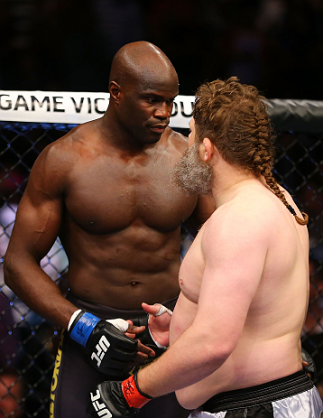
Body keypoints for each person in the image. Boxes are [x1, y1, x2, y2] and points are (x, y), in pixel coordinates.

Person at [87, 77, 323, 418]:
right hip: (270, 399)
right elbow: (265, 305)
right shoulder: (280, 199)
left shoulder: (237, 220)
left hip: (253, 407)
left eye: (192, 135)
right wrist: (183, 322)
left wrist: (130, 392)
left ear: (207, 149)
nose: (188, 144)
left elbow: (213, 343)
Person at [3, 41, 215, 418]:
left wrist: (196, 313)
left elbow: (225, 244)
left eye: (171, 101)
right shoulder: (65, 160)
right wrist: (83, 326)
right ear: (116, 93)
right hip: (87, 325)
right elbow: (18, 263)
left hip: (167, 329)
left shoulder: (188, 160)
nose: (164, 113)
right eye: (152, 100)